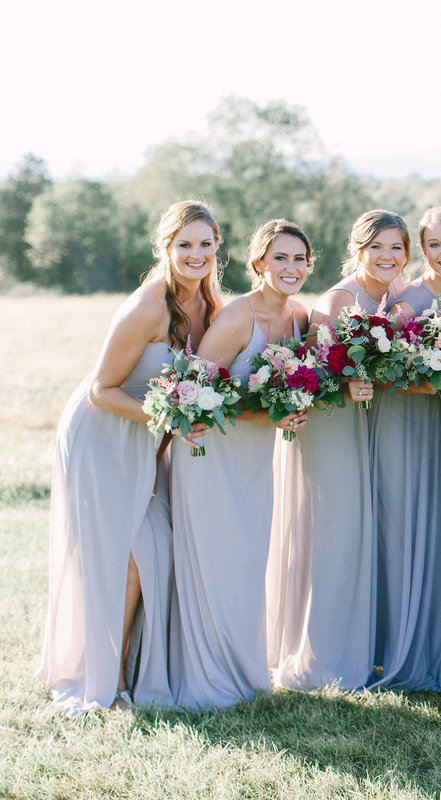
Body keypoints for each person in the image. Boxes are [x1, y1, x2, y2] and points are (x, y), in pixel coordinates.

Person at [37, 200, 220, 715]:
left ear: (217, 249)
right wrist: (170, 420)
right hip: (103, 435)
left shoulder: (209, 306)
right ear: (165, 248)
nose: (196, 254)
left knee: (154, 548)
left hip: (145, 440)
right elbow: (100, 390)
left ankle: (140, 665)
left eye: (205, 244)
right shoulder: (148, 306)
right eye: (185, 244)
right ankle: (110, 680)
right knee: (127, 558)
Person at [171, 219, 311, 708]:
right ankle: (209, 677)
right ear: (258, 264)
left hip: (257, 459)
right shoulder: (236, 318)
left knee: (252, 559)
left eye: (299, 258)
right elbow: (196, 397)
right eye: (280, 258)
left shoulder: (299, 318)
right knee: (219, 559)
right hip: (211, 453)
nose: (290, 267)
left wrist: (298, 404)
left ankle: (247, 671)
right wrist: (269, 408)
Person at [269, 210, 408, 691]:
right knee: (334, 535)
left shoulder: (392, 299)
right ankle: (319, 663)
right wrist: (347, 386)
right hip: (328, 425)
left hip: (359, 423)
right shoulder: (341, 298)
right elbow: (311, 374)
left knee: (353, 534)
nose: (387, 256)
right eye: (377, 247)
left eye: (396, 248)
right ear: (358, 251)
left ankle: (350, 651)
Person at [369, 207, 441, 692]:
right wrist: (438, 383)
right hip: (411, 422)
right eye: (434, 244)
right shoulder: (409, 302)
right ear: (424, 251)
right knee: (415, 525)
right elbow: (383, 370)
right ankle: (409, 648)